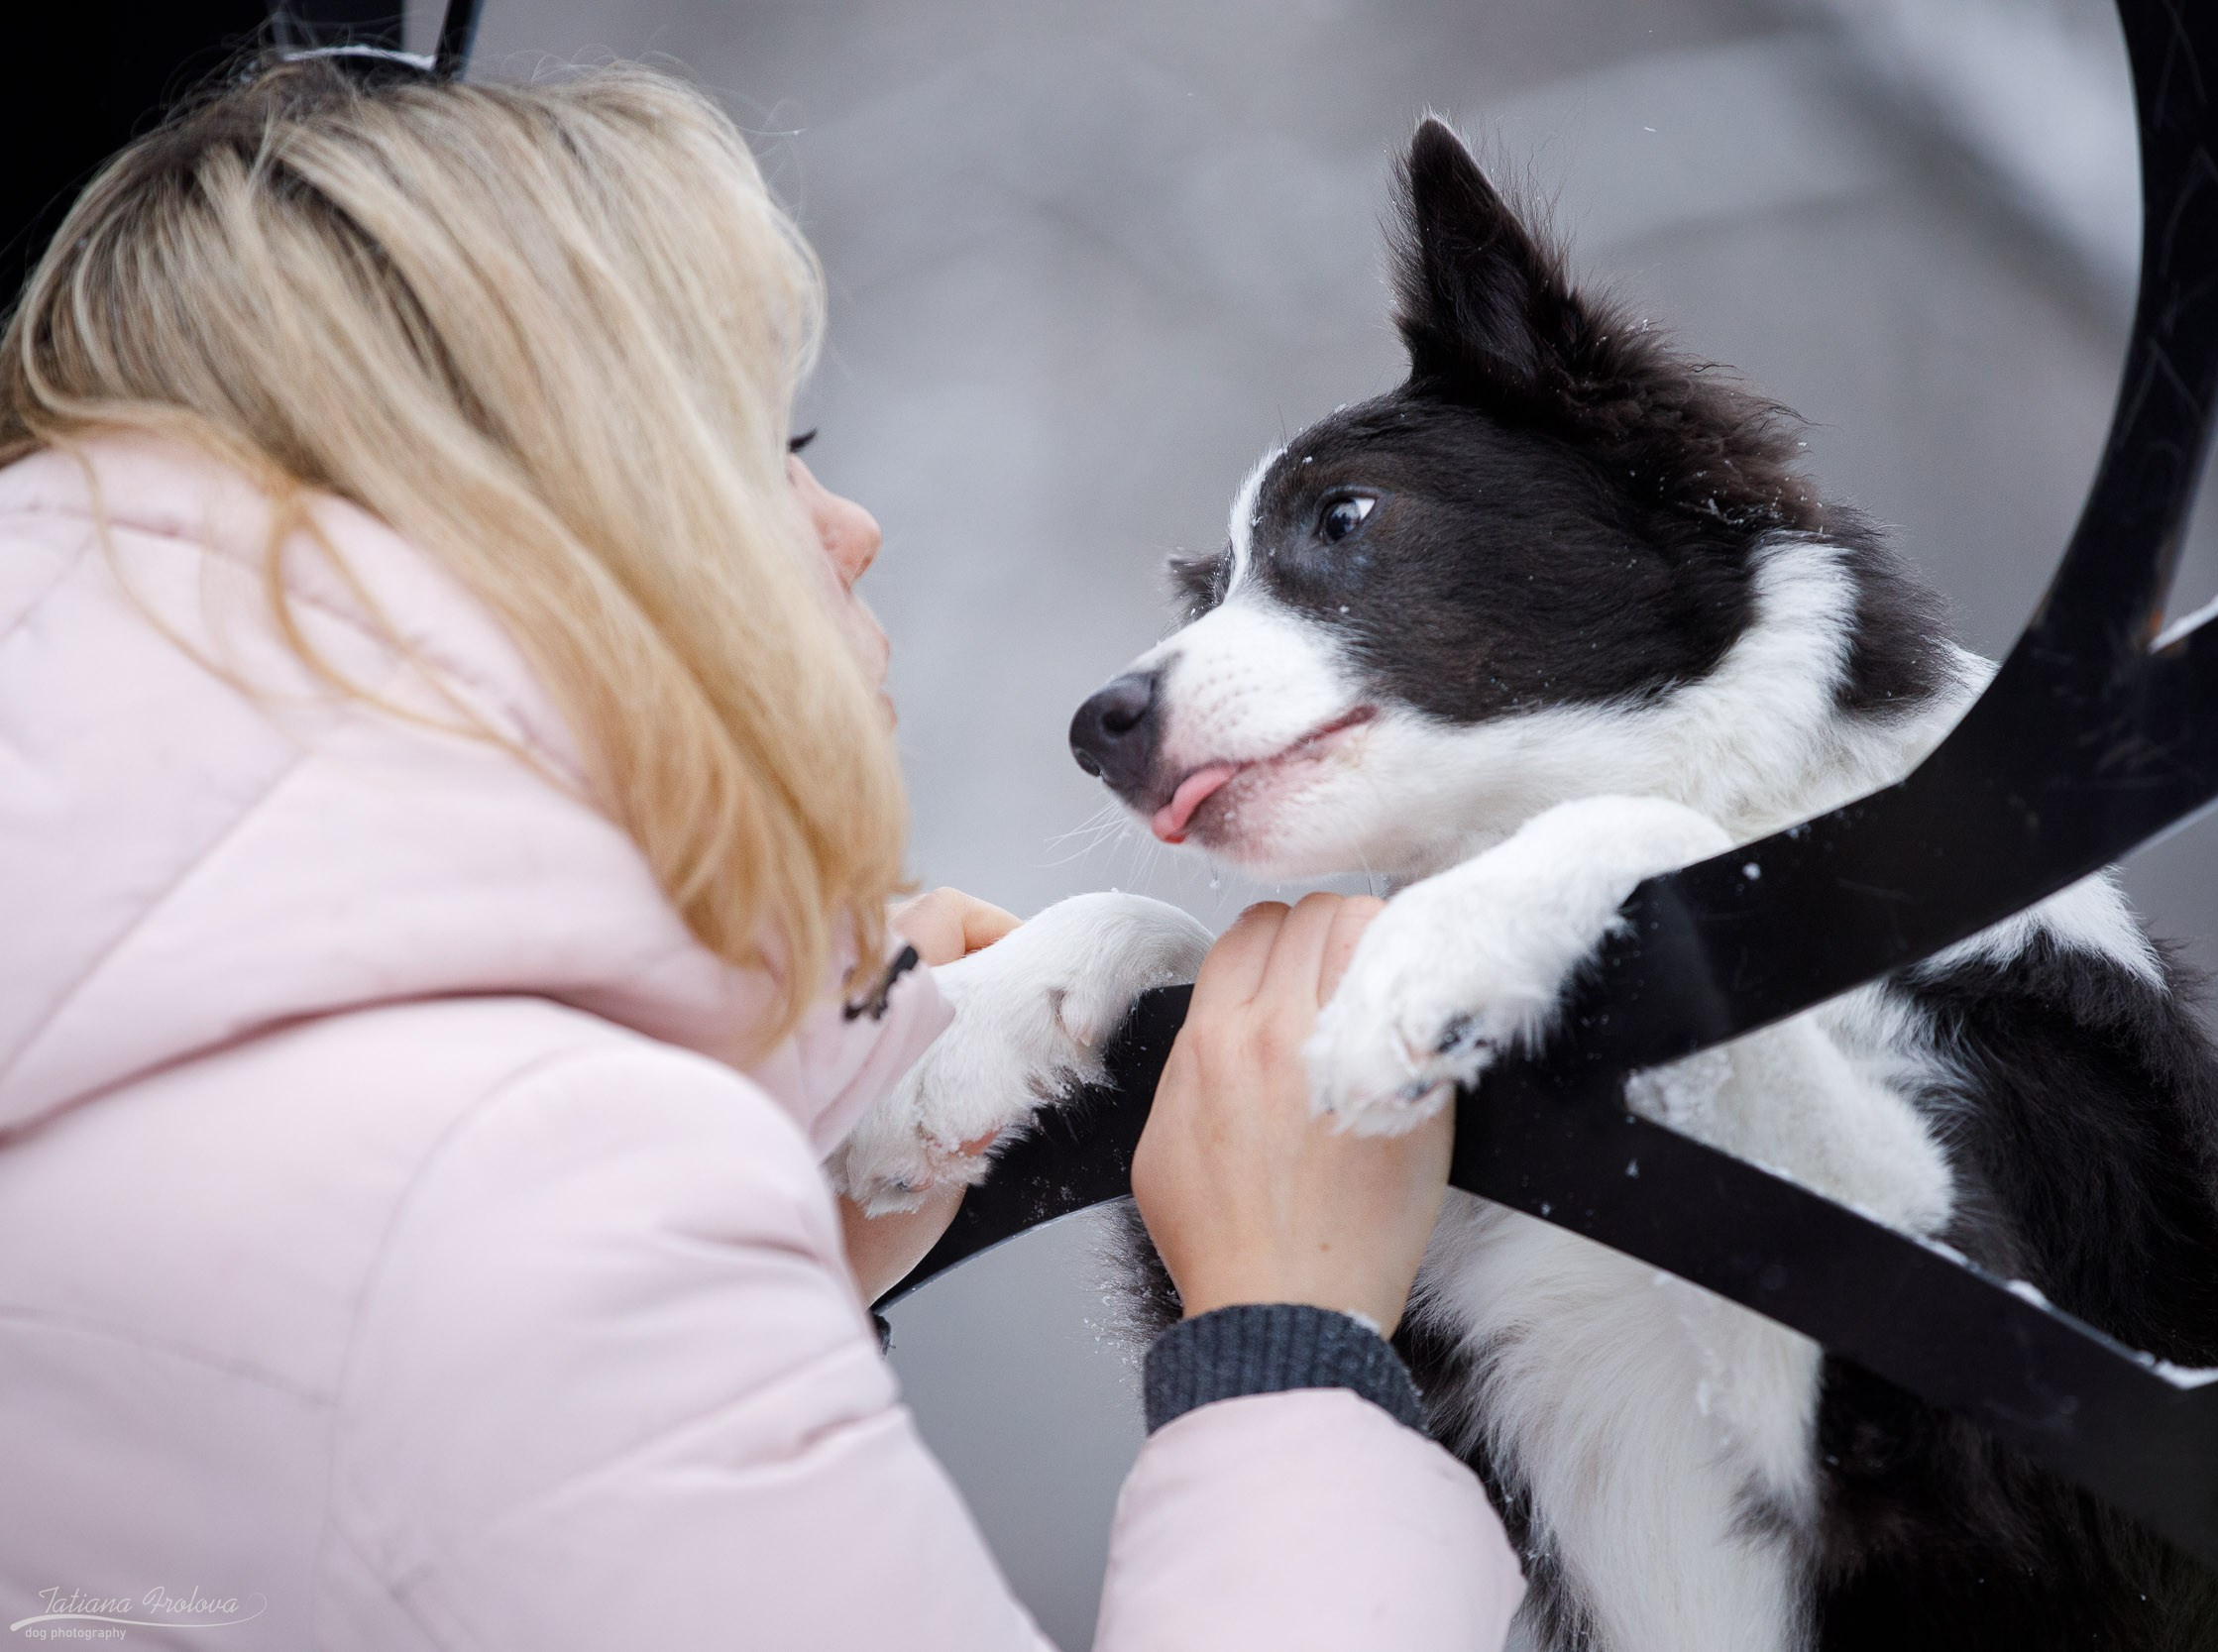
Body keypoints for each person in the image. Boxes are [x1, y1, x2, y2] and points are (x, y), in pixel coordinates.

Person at [0, 56, 1521, 1650]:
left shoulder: (138, 1093)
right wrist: (1288, 1344)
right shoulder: (524, 1202)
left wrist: (768, 1175)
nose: (847, 523)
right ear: (560, 507)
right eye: (762, 442)